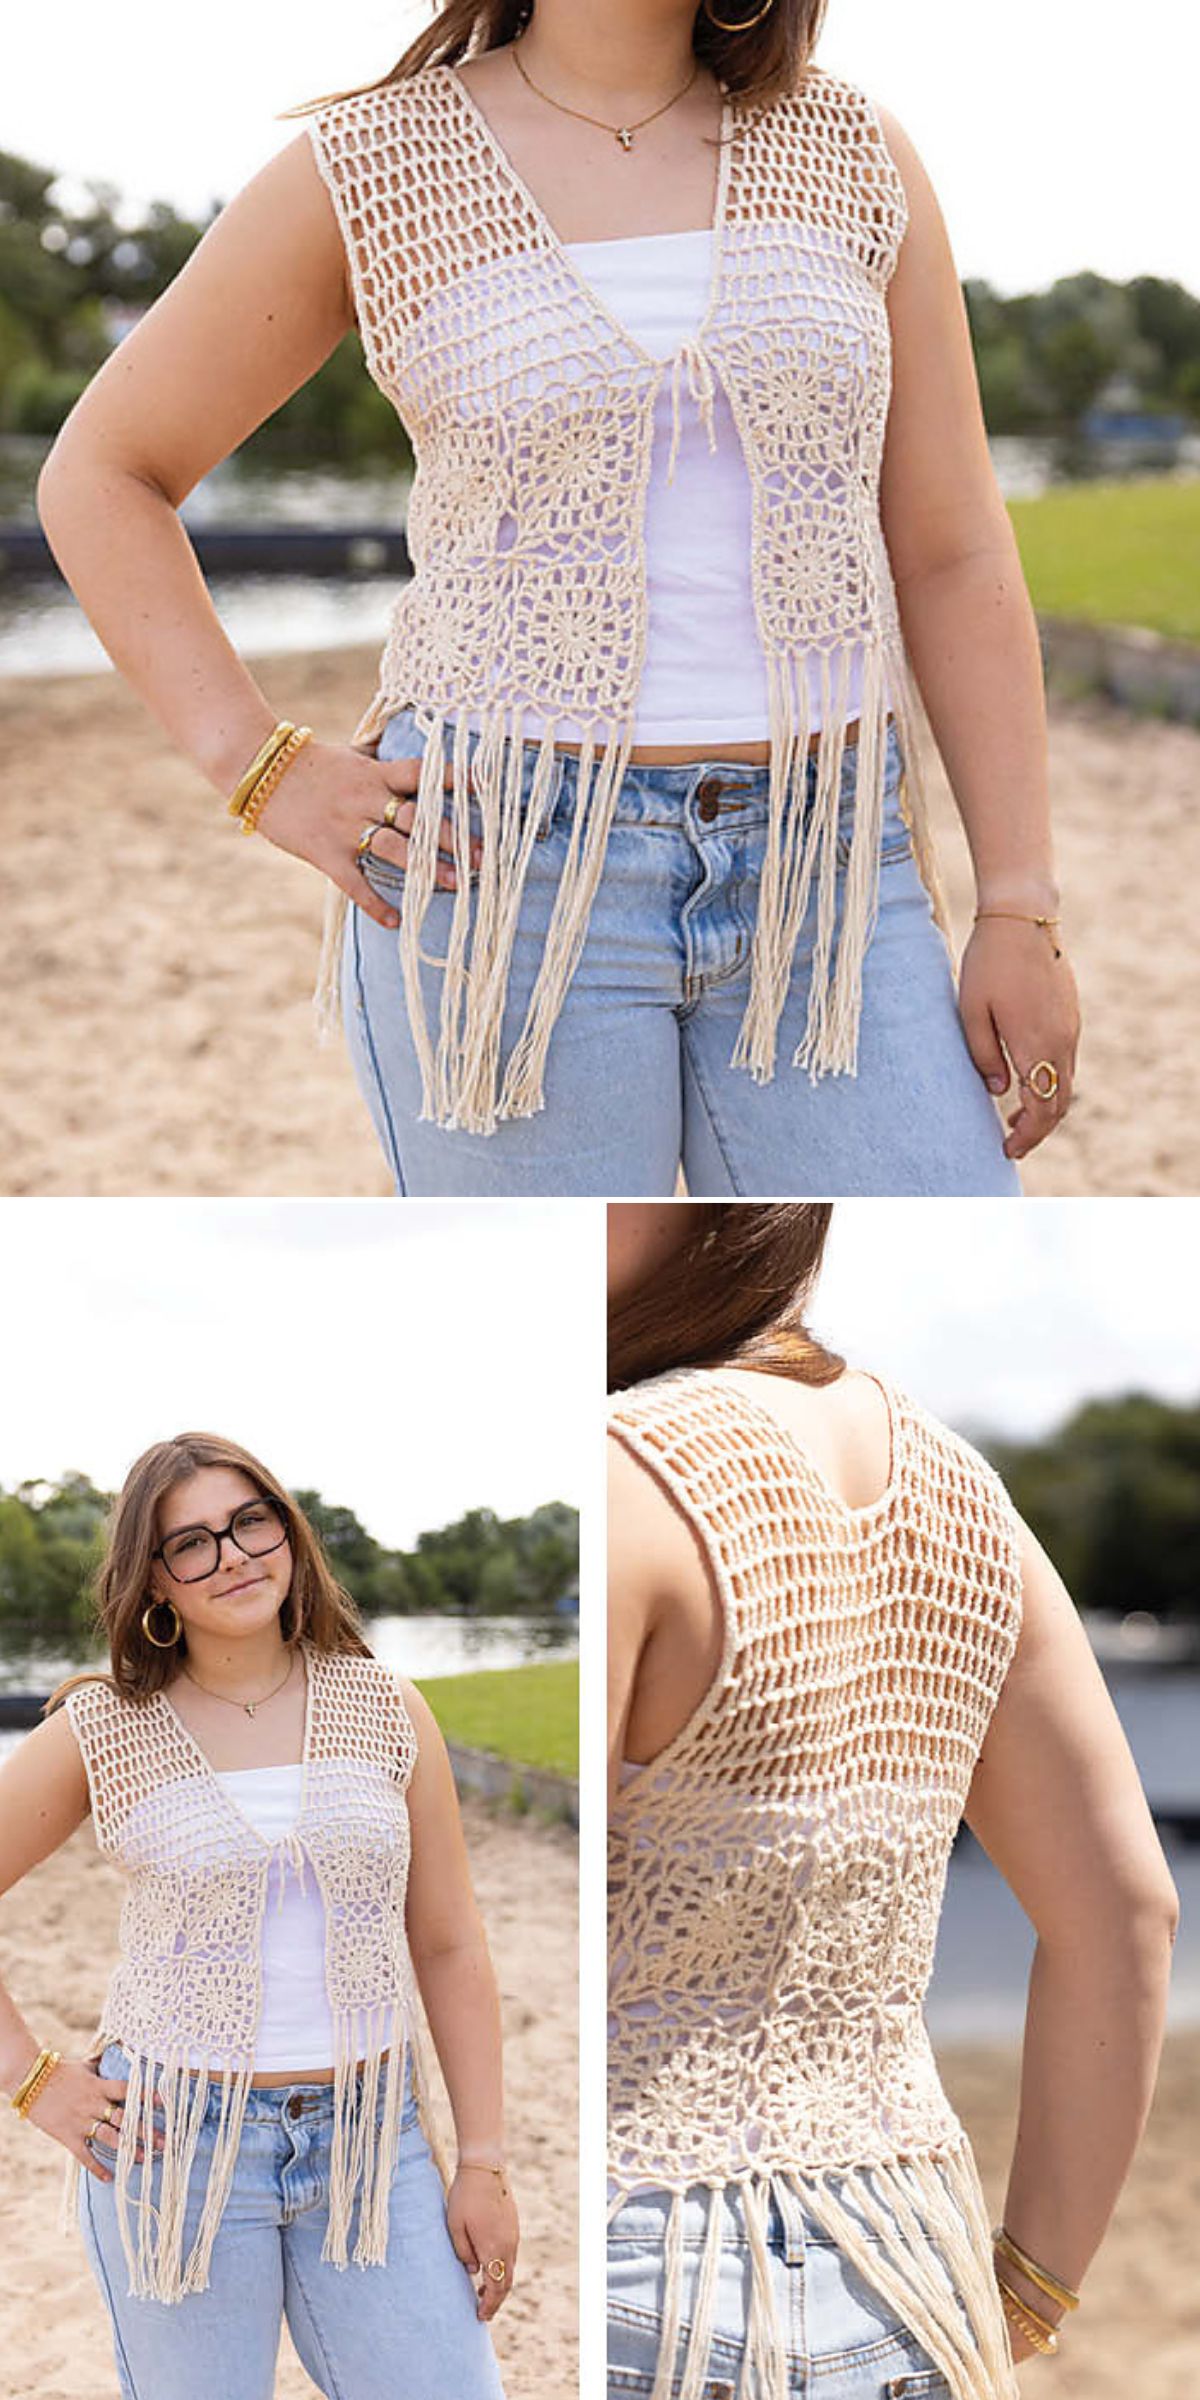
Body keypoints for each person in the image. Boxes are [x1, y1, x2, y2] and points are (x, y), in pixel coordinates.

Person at [37, 0, 1079, 1198]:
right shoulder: (371, 166)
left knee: (921, 1278)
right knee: (551, 1307)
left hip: (834, 875)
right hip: (501, 883)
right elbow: (104, 473)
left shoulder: (857, 151)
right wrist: (258, 765)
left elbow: (952, 551)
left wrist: (1020, 904)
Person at [606, 1203, 1178, 2399]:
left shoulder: (618, 1471)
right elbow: (1127, 1915)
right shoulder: (964, 1491)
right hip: (914, 2261)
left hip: (645, 2271)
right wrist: (1032, 2288)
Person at [0, 1433, 517, 2400]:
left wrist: (482, 2160)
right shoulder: (103, 1728)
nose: (232, 1556)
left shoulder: (388, 1708)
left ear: (288, 1531)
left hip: (373, 2144)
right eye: (191, 1543)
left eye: (250, 1522)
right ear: (155, 1580)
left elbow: (449, 1944)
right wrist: (31, 2080)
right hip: (174, 2156)